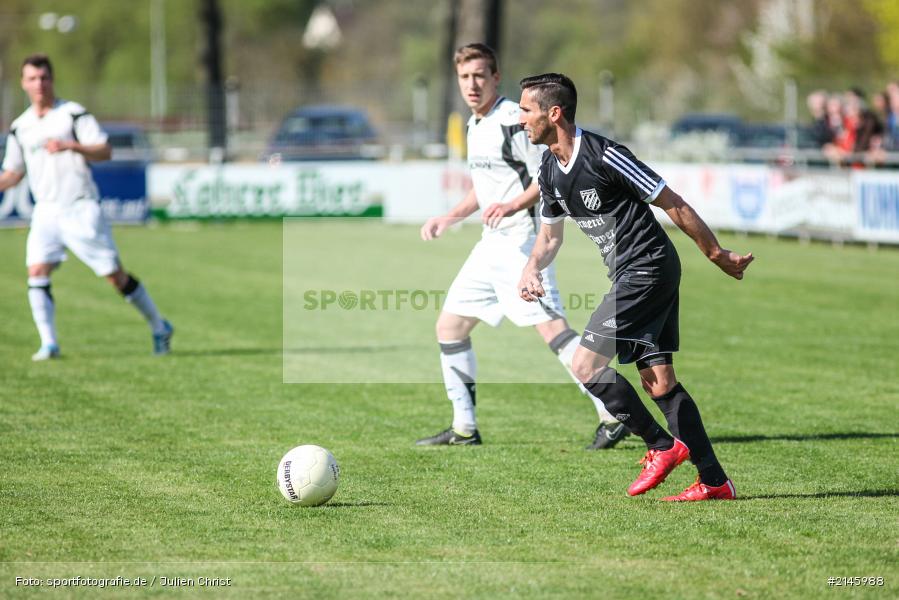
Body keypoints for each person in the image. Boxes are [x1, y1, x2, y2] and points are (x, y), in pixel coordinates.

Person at [516, 73, 754, 501]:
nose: (520, 119)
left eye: (525, 110)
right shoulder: (549, 170)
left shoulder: (606, 156)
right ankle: (715, 481)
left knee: (585, 366)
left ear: (554, 113)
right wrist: (531, 267)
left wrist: (716, 254)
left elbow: (672, 201)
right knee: (660, 383)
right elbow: (550, 238)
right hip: (633, 273)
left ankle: (661, 447)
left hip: (648, 268)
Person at [416, 44, 627, 449]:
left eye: (480, 75)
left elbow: (545, 176)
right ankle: (464, 429)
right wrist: (449, 217)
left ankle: (613, 411)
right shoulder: (476, 124)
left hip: (522, 245)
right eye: (465, 77)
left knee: (553, 331)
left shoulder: (516, 119)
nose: (472, 84)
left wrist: (513, 205)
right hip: (490, 245)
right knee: (450, 326)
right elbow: (486, 191)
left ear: (496, 77)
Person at [0, 54, 173, 360]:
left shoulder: (73, 115)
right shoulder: (20, 127)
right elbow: (13, 173)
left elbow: (105, 150)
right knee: (37, 270)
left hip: (80, 208)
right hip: (45, 211)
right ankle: (49, 344)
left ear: (52, 80)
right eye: (32, 78)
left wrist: (72, 146)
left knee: (114, 276)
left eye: (44, 77)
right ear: (24, 83)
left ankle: (159, 326)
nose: (39, 84)